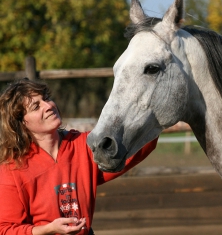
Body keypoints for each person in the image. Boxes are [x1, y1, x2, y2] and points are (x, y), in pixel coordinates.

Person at [0, 78, 158, 235]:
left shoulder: (84, 145)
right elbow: (5, 229)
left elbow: (131, 151)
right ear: (21, 123)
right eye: (36, 107)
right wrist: (48, 229)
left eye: (46, 98)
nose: (48, 106)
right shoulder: (12, 169)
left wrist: (155, 118)